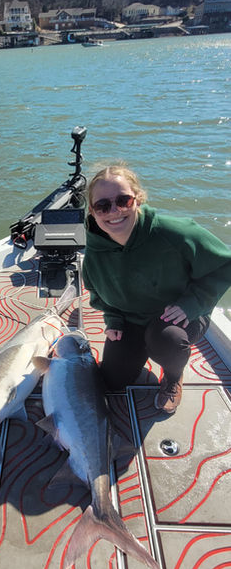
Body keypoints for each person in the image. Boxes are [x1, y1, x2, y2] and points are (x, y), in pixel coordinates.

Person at [82, 162, 231, 414]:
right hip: (131, 320)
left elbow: (224, 264)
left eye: (123, 200)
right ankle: (139, 349)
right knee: (112, 380)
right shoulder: (95, 250)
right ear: (92, 211)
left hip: (177, 317)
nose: (114, 211)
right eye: (102, 205)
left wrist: (192, 304)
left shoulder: (174, 232)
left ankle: (173, 376)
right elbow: (97, 292)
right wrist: (114, 319)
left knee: (166, 340)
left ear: (138, 199)